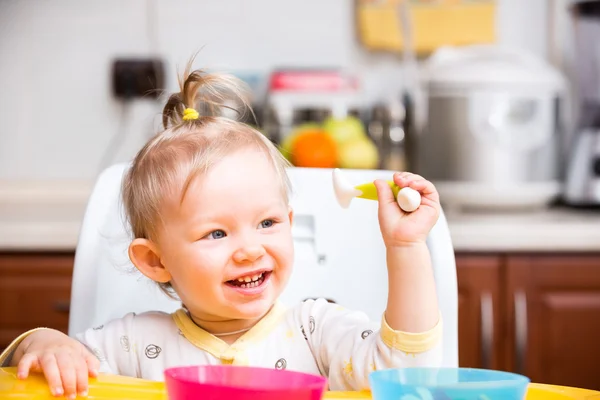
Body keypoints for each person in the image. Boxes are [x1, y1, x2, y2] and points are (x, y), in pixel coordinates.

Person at [0, 60, 442, 399]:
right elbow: (40, 364)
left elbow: (405, 372)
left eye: (267, 223)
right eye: (217, 234)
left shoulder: (316, 330)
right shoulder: (134, 344)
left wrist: (405, 247)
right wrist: (43, 342)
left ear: (288, 225)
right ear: (155, 261)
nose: (250, 249)